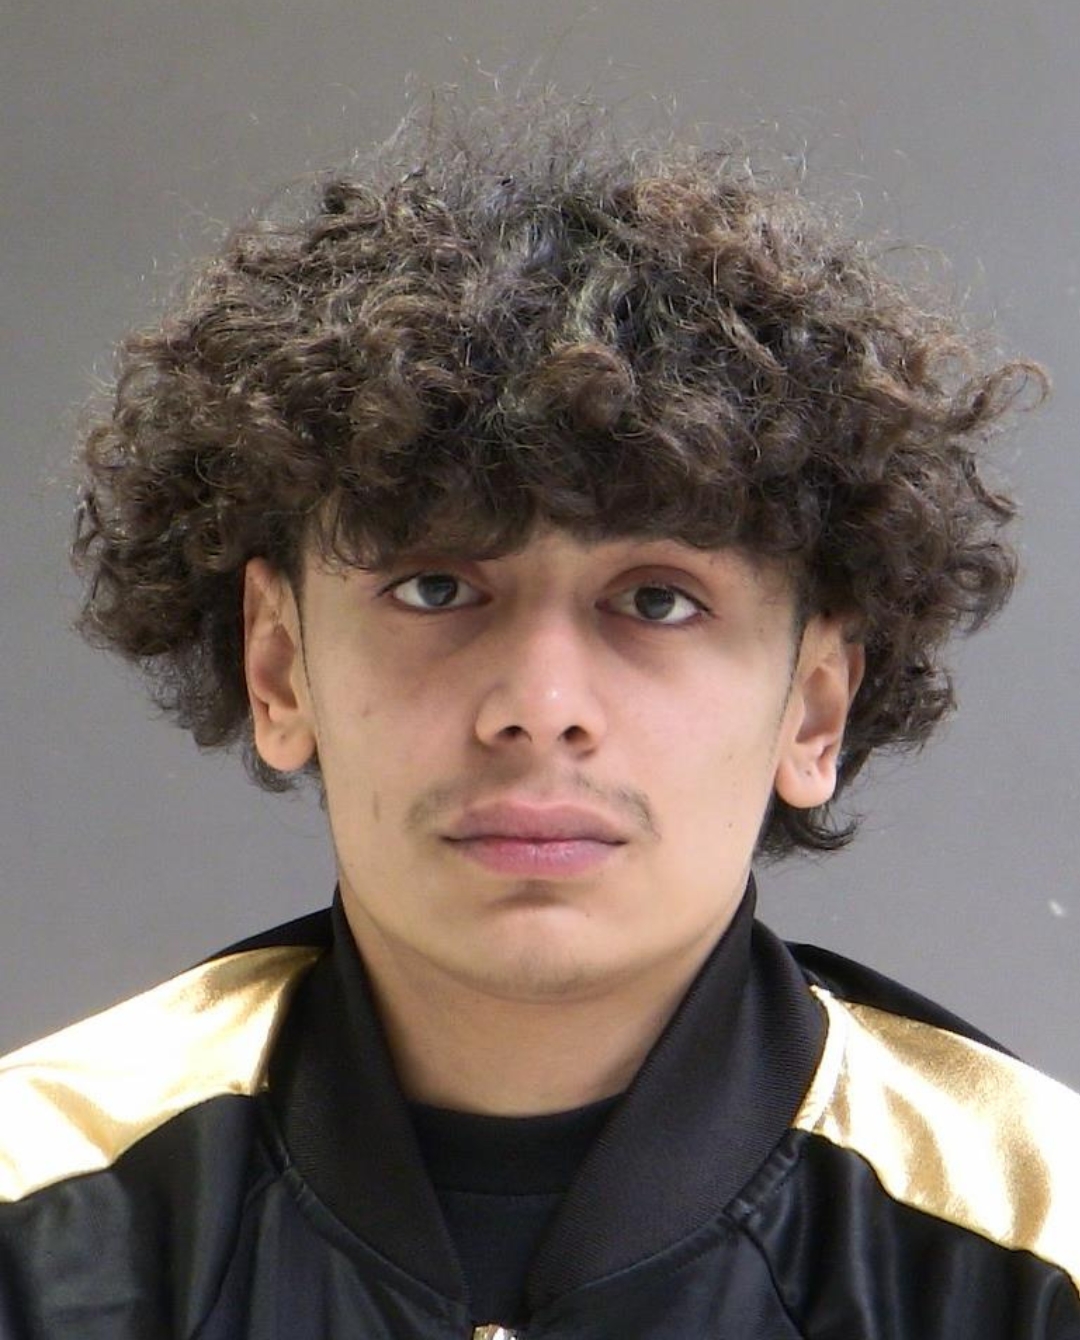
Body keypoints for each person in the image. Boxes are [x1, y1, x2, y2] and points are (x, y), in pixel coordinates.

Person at [1, 102, 1077, 1340]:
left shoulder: (1037, 1257)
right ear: (280, 665)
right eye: (435, 588)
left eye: (658, 601)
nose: (540, 710)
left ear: (814, 708)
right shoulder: (37, 1227)